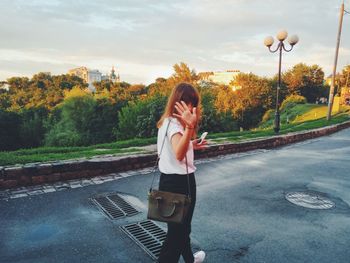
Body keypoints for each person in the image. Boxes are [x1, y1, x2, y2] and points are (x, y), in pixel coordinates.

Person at [156, 83, 207, 263]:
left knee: (181, 230)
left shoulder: (167, 122)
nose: (191, 107)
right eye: (187, 101)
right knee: (175, 238)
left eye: (193, 102)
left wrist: (192, 144)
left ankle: (189, 260)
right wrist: (190, 128)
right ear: (178, 102)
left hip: (169, 181)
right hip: (179, 184)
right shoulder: (176, 125)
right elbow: (178, 154)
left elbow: (175, 149)